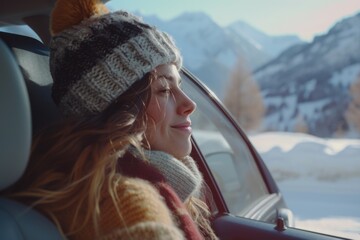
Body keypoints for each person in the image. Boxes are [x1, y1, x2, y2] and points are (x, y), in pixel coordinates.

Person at [4, 0, 219, 239]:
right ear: (115, 109)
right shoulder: (121, 200)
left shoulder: (152, 183)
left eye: (178, 86)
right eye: (163, 90)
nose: (190, 104)